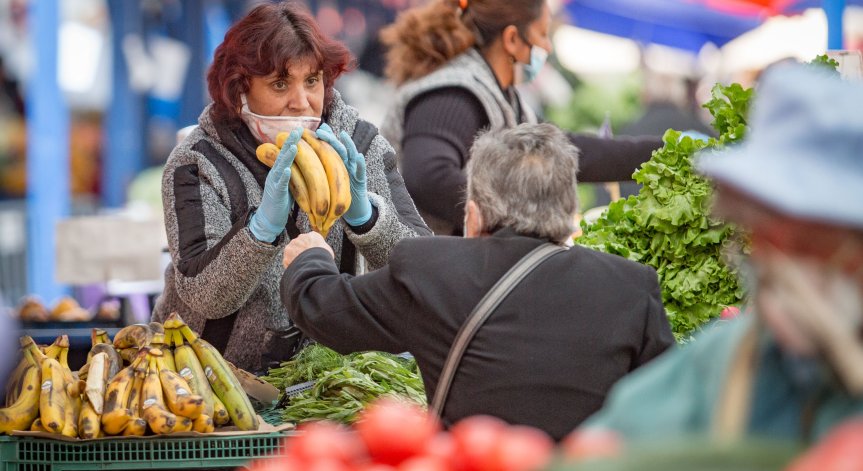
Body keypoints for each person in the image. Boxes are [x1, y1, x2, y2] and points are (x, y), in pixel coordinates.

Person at [280, 123, 674, 440]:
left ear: (473, 214)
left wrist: (310, 258)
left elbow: (325, 308)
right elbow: (666, 412)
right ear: (571, 214)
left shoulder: (431, 270)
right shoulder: (633, 287)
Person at [579, 64, 863, 444]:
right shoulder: (730, 356)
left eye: (805, 236)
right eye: (759, 227)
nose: (768, 257)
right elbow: (610, 440)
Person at [151, 1, 431, 373]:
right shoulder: (197, 162)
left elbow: (422, 270)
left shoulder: (359, 145)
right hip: (212, 381)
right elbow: (205, 296)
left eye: (312, 81)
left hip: (324, 380)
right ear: (240, 91)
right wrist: (259, 231)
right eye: (280, 83)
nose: (301, 102)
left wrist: (369, 220)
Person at [379, 0, 663, 236]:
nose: (548, 48)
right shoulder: (453, 94)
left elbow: (562, 154)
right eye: (542, 34)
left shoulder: (505, 98)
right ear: (513, 38)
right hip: (419, 280)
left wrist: (660, 154)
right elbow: (427, 178)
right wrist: (518, 221)